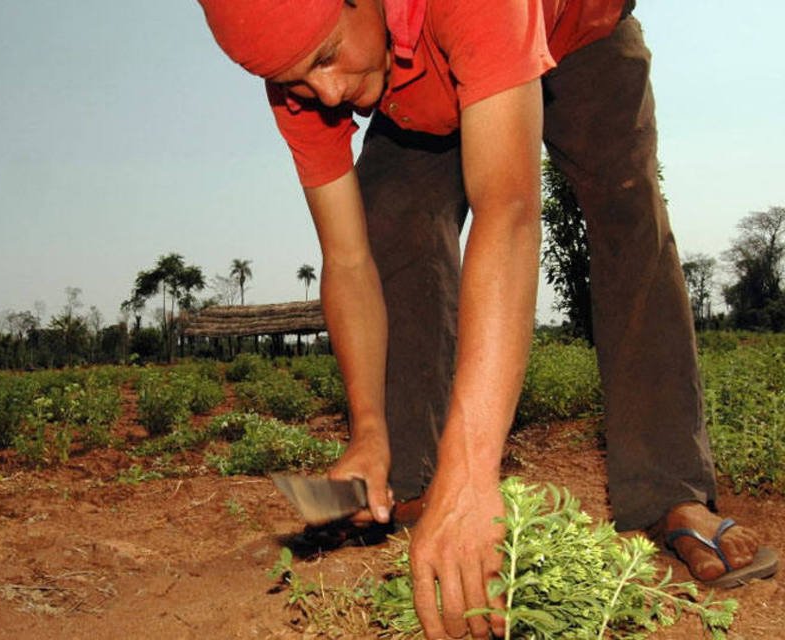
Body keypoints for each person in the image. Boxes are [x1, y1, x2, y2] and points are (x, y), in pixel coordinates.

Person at [197, 1, 778, 638]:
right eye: (298, 79)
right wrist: (367, 429)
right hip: (421, 74)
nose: (330, 92)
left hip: (574, 30)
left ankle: (672, 492)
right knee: (387, 210)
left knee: (625, 209)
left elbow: (508, 209)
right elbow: (348, 257)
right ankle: (410, 485)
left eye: (330, 55)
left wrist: (474, 472)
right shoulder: (302, 77)